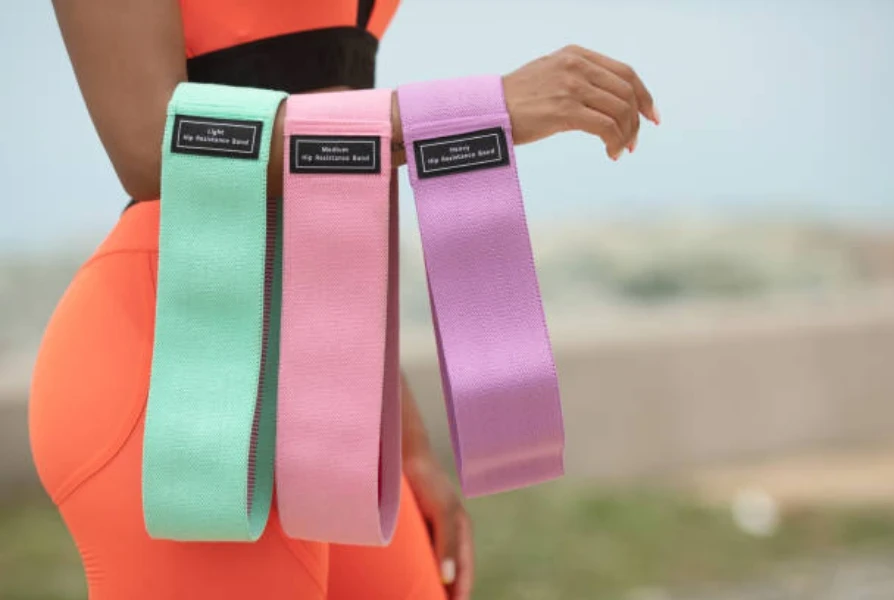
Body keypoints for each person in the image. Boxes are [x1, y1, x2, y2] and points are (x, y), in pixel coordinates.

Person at [29, 0, 659, 598]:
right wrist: (466, 116)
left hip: (331, 377)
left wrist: (403, 432)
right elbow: (149, 143)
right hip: (185, 364)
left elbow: (335, 185)